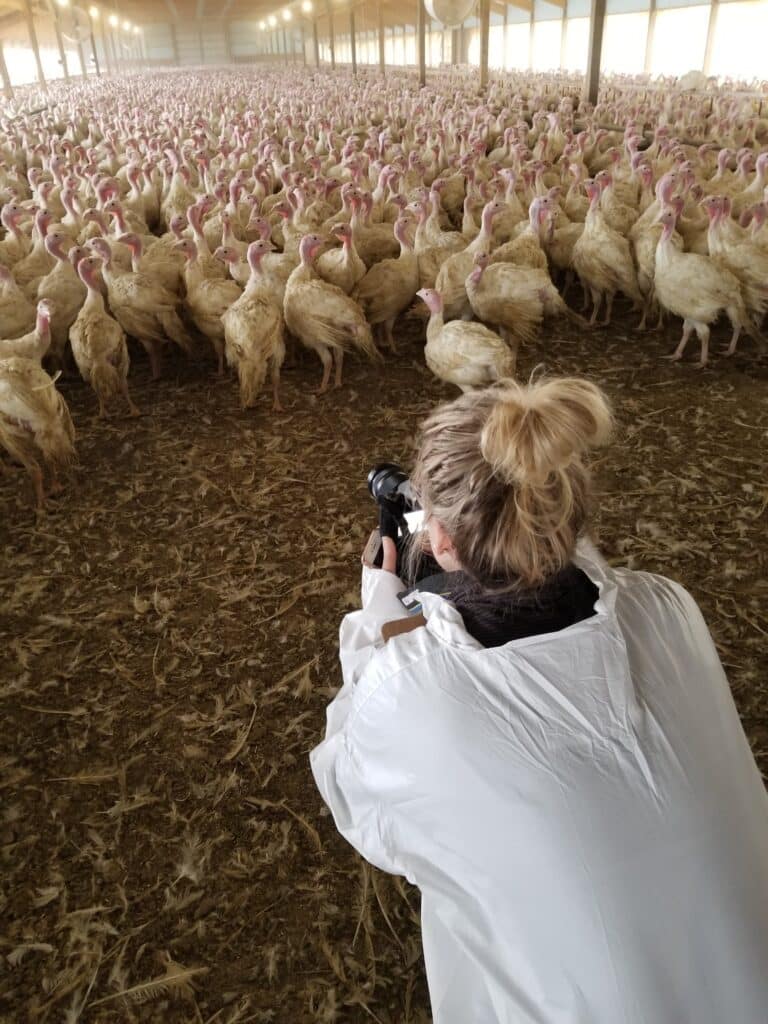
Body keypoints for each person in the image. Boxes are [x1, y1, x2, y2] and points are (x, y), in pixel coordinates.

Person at [310, 376, 768, 1024]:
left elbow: (351, 788)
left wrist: (377, 624)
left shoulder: (412, 693)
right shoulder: (668, 607)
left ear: (440, 542)